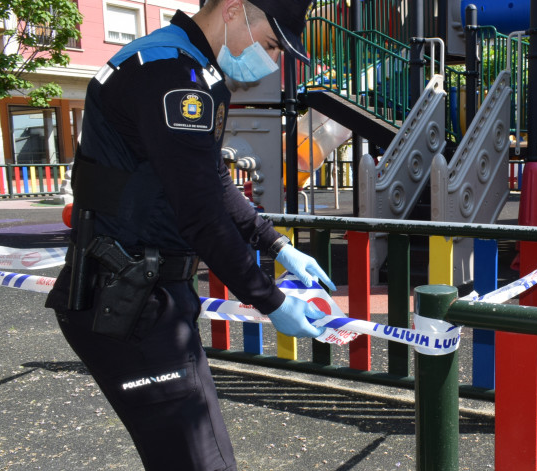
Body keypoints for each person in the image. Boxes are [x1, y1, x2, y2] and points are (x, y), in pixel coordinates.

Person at [44, 0, 333, 468]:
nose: (273, 60)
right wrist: (272, 301)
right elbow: (201, 213)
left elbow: (212, 181)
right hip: (131, 300)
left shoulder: (182, 64)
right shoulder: (173, 77)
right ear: (235, 10)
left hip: (142, 294)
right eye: (272, 44)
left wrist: (274, 244)